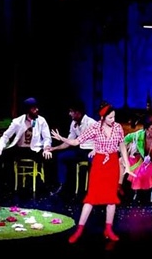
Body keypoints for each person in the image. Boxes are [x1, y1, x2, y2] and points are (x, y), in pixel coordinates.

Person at [51, 101, 134, 243]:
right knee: (91, 198)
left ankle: (108, 229)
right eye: (110, 118)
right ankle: (79, 230)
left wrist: (127, 164)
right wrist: (62, 139)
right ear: (102, 118)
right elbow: (77, 141)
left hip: (112, 163)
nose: (113, 120)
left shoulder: (118, 127)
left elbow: (122, 145)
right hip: (99, 163)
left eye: (114, 117)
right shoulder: (95, 127)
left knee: (111, 198)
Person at [0, 97, 53, 192]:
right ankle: (3, 185)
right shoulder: (18, 121)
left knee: (49, 157)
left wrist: (46, 149)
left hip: (35, 149)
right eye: (34, 108)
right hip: (20, 149)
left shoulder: (41, 121)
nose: (37, 110)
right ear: (28, 110)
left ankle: (48, 187)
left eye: (37, 108)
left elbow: (47, 138)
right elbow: (5, 136)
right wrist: (0, 148)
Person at [47, 100, 96, 196]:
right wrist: (54, 148)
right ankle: (62, 185)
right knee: (62, 157)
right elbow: (69, 142)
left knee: (94, 162)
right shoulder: (73, 124)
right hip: (80, 150)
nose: (70, 114)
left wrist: (95, 150)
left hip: (92, 151)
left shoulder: (91, 123)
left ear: (78, 112)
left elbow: (101, 139)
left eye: (71, 111)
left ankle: (94, 190)